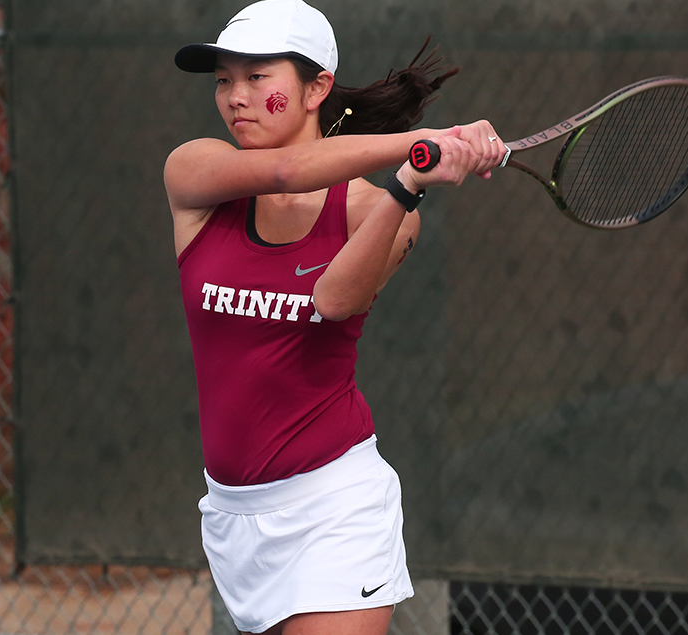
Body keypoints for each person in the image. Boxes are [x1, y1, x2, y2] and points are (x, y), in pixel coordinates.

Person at [165, 1, 505, 634]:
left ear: (316, 86)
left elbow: (334, 301)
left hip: (335, 505)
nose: (235, 97)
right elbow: (287, 169)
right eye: (223, 80)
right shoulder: (194, 172)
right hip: (233, 516)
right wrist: (428, 141)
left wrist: (408, 181)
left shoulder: (375, 208)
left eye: (256, 77)